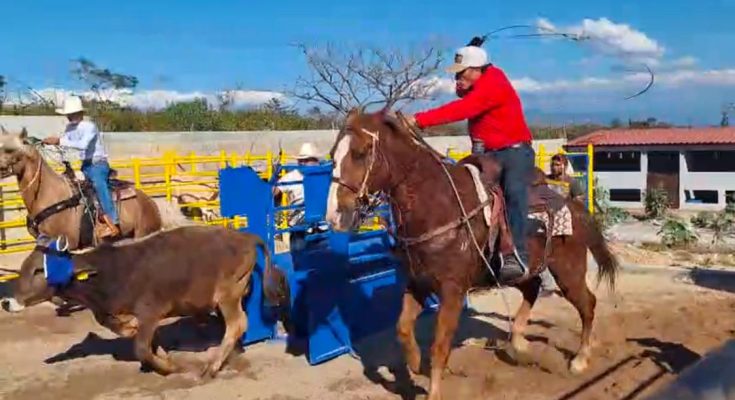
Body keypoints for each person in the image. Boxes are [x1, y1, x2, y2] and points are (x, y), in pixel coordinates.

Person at [404, 40, 534, 285]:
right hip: (488, 154)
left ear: (477, 70)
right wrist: (466, 65)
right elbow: (464, 94)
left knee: (514, 193)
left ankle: (518, 256)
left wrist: (419, 120)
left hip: (514, 152)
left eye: (461, 73)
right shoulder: (478, 82)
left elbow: (464, 108)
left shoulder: (495, 83)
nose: (457, 79)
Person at [42, 96, 120, 239]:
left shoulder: (89, 126)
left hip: (98, 164)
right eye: (68, 114)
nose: (69, 117)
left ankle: (113, 222)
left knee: (98, 184)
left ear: (79, 113)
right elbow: (66, 145)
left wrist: (59, 140)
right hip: (85, 165)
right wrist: (57, 147)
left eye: (72, 114)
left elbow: (82, 144)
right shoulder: (69, 128)